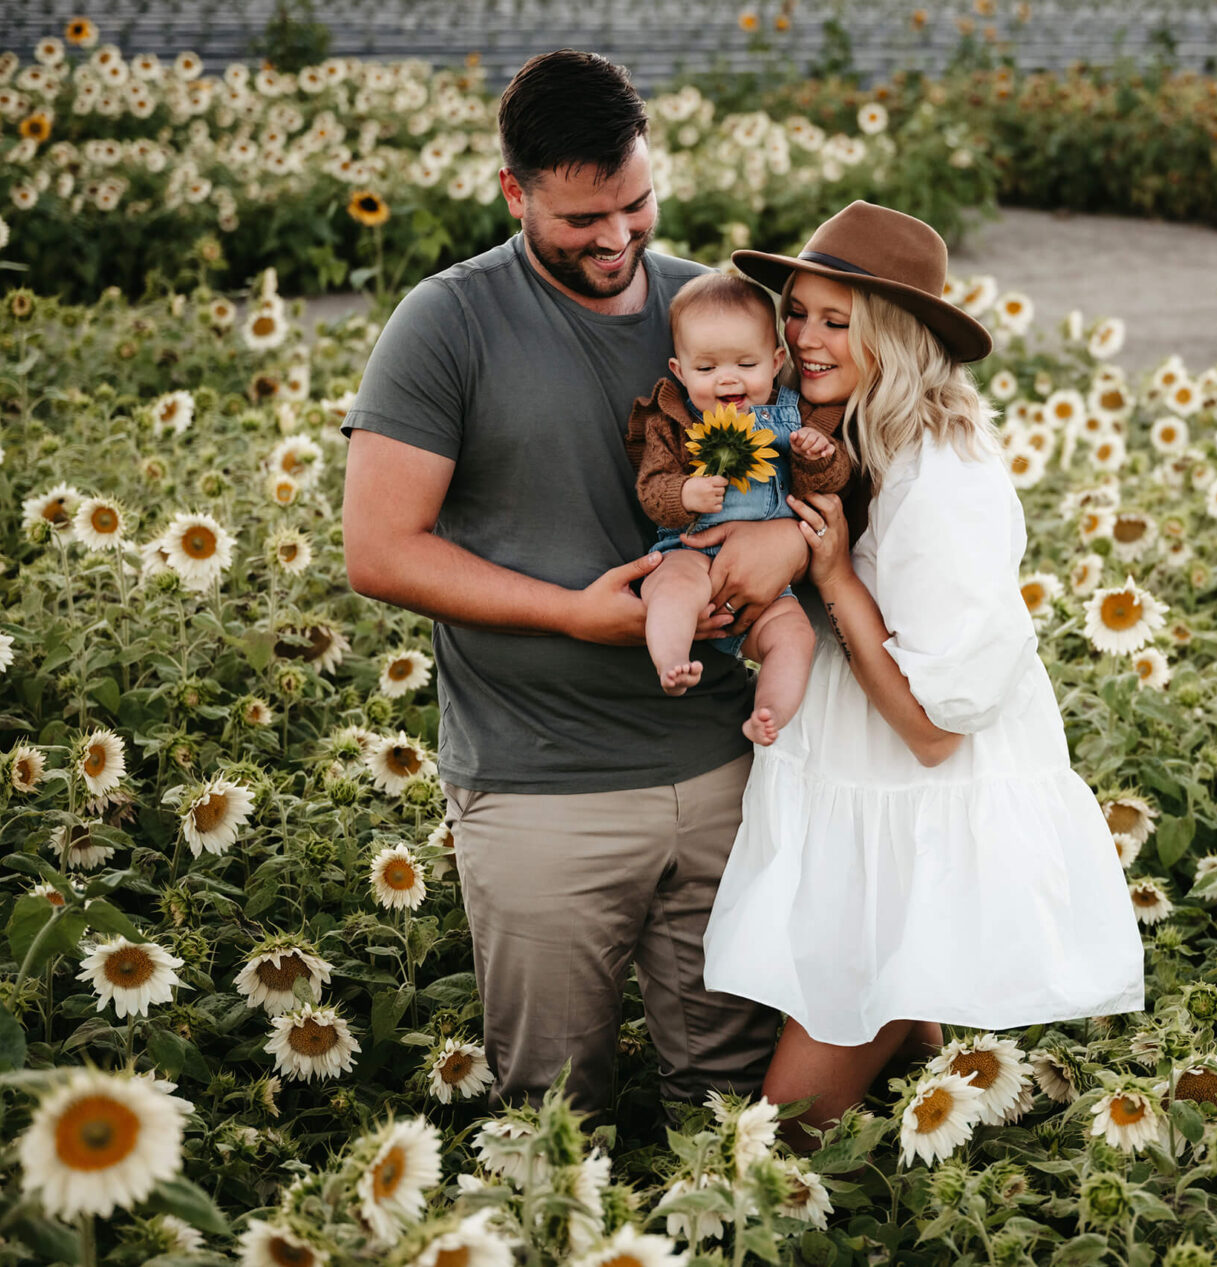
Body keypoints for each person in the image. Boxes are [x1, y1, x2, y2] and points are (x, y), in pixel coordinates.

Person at [340, 50, 799, 1115]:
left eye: (634, 204)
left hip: (729, 770)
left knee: (725, 1104)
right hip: (541, 784)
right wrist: (575, 616)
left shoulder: (712, 314)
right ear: (513, 191)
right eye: (579, 218)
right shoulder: (446, 322)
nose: (615, 238)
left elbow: (820, 475)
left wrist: (791, 546)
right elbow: (380, 549)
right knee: (553, 1115)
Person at [702, 201, 1147, 1132]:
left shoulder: (941, 475)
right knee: (909, 1102)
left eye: (839, 319)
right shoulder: (851, 434)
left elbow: (934, 730)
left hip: (906, 816)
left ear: (893, 336)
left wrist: (831, 576)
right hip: (869, 808)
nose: (806, 338)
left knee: (781, 1136)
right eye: (798, 311)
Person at [627, 272, 854, 745]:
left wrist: (818, 457)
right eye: (706, 370)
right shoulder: (672, 418)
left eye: (745, 364)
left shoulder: (797, 416)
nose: (727, 379)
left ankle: (768, 711)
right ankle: (671, 658)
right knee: (670, 587)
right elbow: (651, 488)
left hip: (769, 587)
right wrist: (683, 494)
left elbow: (831, 486)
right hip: (689, 551)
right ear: (679, 369)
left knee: (794, 637)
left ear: (775, 362)